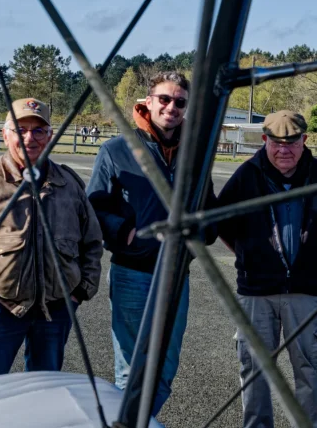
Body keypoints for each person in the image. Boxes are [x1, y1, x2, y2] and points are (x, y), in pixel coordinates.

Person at [0, 98, 103, 380]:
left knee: (44, 389)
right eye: (20, 129)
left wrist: (80, 290)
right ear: (5, 134)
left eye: (39, 130)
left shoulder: (69, 183)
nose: (30, 138)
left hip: (56, 309)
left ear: (50, 135)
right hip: (1, 308)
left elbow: (92, 243)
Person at [86, 71, 216, 415]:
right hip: (133, 273)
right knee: (131, 371)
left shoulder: (196, 155)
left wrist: (199, 237)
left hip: (176, 277)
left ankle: (139, 422)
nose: (172, 107)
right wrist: (124, 232)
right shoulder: (116, 149)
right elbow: (94, 206)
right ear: (148, 102)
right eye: (164, 99)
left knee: (165, 371)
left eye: (180, 102)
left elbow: (209, 209)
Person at [217, 110, 317, 428]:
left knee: (309, 369)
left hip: (304, 291)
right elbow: (222, 221)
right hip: (256, 291)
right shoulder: (247, 175)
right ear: (264, 140)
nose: (284, 149)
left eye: (292, 142)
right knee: (254, 370)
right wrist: (248, 255)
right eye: (277, 142)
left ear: (305, 140)